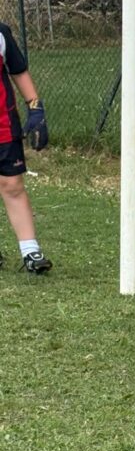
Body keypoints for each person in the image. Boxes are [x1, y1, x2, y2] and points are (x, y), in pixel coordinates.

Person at [0, 20, 51, 274]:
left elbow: (18, 70)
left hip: (3, 125)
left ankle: (31, 251)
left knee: (12, 185)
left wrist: (35, 107)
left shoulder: (0, 34)